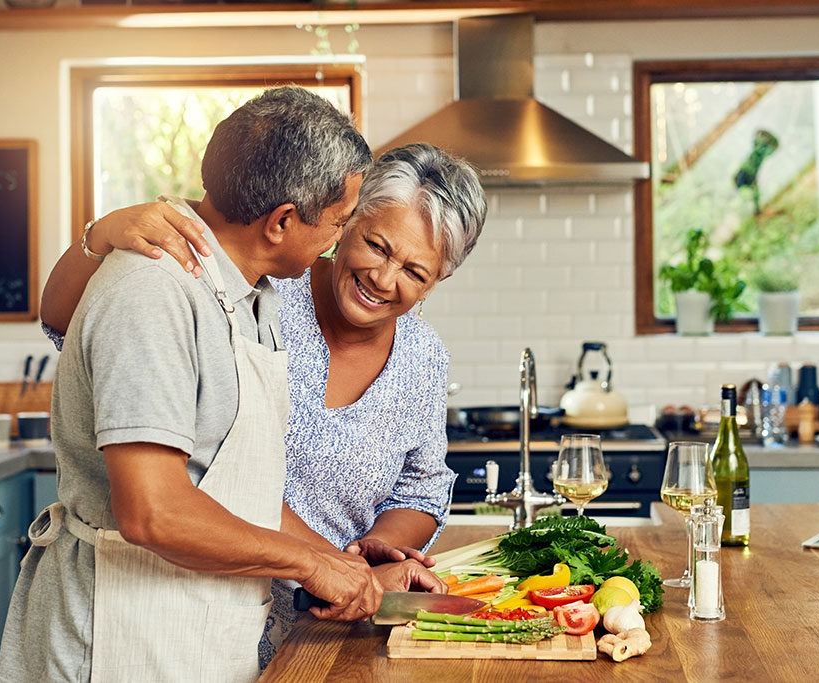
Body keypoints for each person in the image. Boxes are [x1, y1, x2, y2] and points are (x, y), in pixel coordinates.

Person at [41, 142, 488, 668]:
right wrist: (101, 235)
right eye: (377, 245)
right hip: (195, 596)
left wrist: (360, 562)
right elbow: (69, 318)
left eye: (416, 272)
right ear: (345, 221)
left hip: (333, 611)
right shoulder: (262, 289)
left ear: (440, 280)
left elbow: (422, 485)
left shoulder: (424, 355)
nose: (384, 279)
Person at [0, 86, 389, 683]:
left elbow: (233, 488)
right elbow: (154, 512)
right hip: (117, 638)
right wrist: (307, 566)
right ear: (282, 221)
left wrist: (344, 564)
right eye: (335, 225)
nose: (335, 245)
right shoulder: (152, 291)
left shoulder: (253, 296)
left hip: (194, 630)